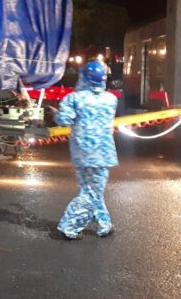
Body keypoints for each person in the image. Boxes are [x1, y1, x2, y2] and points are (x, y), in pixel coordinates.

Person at [54, 60, 118, 239]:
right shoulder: (111, 99)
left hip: (82, 154)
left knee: (90, 191)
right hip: (103, 154)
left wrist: (55, 114)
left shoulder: (73, 99)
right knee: (94, 190)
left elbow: (64, 120)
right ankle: (92, 225)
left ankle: (74, 226)